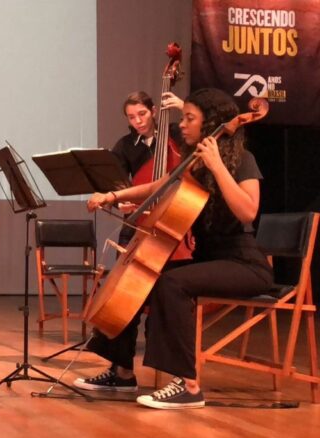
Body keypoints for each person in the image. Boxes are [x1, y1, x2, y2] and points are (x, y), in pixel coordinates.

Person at [86, 88, 273, 409]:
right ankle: (122, 371)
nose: (182, 125)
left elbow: (248, 211)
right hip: (209, 259)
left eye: (189, 118)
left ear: (211, 122)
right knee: (143, 274)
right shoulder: (195, 162)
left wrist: (217, 167)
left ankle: (187, 384)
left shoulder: (242, 160)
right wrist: (113, 196)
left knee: (173, 283)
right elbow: (161, 184)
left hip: (244, 264)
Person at [75, 90, 189, 392]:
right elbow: (117, 186)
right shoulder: (125, 146)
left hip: (174, 228)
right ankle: (122, 371)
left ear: (154, 111)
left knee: (138, 295)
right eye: (131, 116)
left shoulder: (178, 133)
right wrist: (122, 203)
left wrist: (184, 106)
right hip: (139, 226)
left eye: (142, 114)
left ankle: (154, 373)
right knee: (120, 295)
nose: (137, 121)